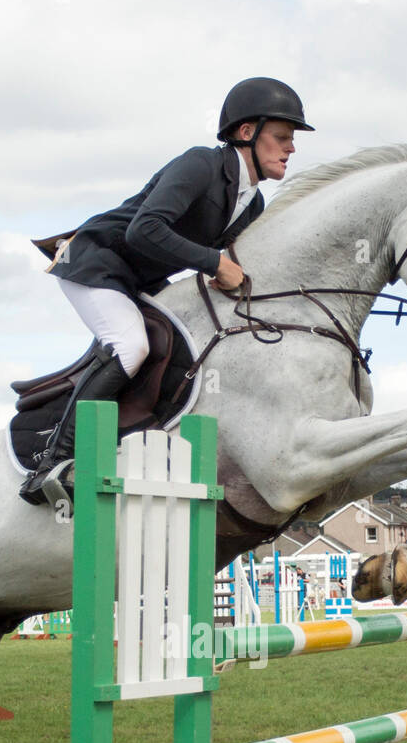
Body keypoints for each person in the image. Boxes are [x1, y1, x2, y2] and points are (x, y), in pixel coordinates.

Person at [20, 77, 315, 505]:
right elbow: (145, 229)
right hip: (99, 261)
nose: (291, 148)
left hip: (143, 279)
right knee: (131, 347)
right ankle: (52, 463)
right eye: (282, 137)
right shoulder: (200, 164)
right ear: (247, 133)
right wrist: (214, 262)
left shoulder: (252, 204)